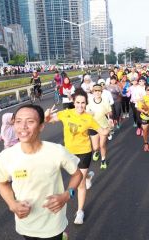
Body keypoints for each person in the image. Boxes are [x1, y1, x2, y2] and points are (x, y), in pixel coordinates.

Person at [0, 104, 82, 239]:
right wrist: (12, 203)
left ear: (41, 126)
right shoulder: (6, 157)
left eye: (30, 121)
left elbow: (77, 174)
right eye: (18, 121)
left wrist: (67, 195)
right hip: (26, 223)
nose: (23, 126)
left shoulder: (57, 151)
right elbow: (2, 183)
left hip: (53, 223)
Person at [44, 88, 110, 225]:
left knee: (80, 184)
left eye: (83, 103)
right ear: (73, 102)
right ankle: (89, 176)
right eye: (78, 102)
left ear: (86, 103)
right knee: (73, 178)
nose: (80, 105)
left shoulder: (88, 118)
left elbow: (102, 132)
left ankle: (80, 211)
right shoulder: (66, 113)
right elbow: (49, 121)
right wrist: (47, 116)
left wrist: (109, 127)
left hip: (84, 152)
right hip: (68, 153)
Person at [86, 84, 113, 169]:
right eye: (95, 91)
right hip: (93, 127)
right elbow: (86, 113)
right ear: (93, 92)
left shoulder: (105, 101)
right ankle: (96, 151)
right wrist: (89, 114)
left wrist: (110, 118)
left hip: (104, 126)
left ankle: (103, 160)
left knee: (102, 145)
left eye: (99, 91)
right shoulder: (89, 102)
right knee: (95, 147)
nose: (97, 93)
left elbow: (110, 112)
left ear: (101, 92)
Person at [137, 84, 149, 151]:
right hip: (145, 117)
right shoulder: (142, 98)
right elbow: (138, 108)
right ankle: (145, 143)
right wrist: (144, 111)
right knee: (145, 131)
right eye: (148, 89)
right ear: (145, 90)